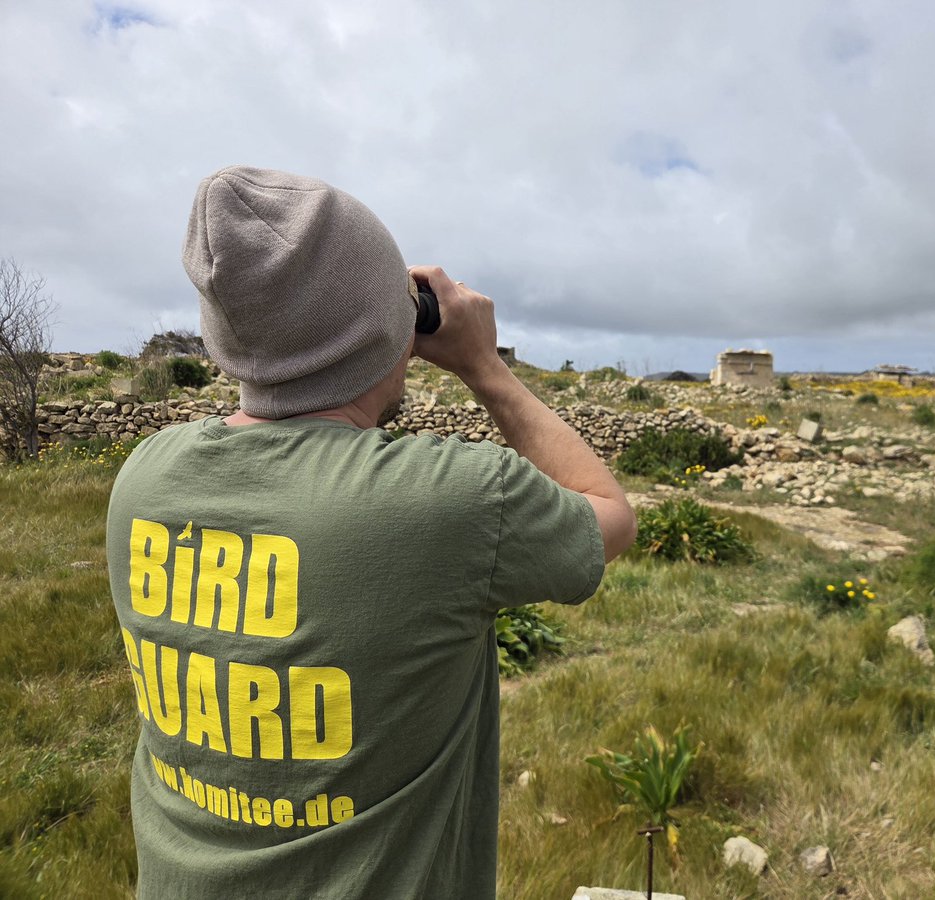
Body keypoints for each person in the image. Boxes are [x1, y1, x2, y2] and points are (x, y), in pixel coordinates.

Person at [106, 165, 637, 899]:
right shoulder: (454, 499)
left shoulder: (143, 477)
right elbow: (609, 513)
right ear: (390, 327)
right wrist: (485, 366)